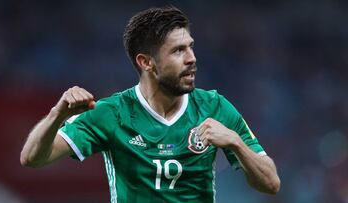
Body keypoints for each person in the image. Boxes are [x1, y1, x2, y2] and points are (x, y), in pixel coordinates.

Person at [20, 6, 280, 203]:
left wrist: (235, 141)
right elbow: (32, 159)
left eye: (190, 47)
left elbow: (271, 183)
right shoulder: (112, 113)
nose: (192, 58)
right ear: (146, 62)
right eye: (178, 51)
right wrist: (56, 115)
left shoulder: (215, 107)